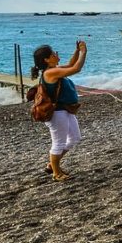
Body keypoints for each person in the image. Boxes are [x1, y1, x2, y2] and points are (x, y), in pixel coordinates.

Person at [31, 40, 86, 181]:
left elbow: (71, 65)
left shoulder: (54, 69)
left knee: (75, 138)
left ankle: (52, 164)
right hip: (57, 113)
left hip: (66, 110)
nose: (56, 54)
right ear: (46, 59)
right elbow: (76, 69)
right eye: (53, 54)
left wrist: (77, 52)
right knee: (58, 143)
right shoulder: (50, 73)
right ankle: (56, 173)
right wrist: (84, 53)